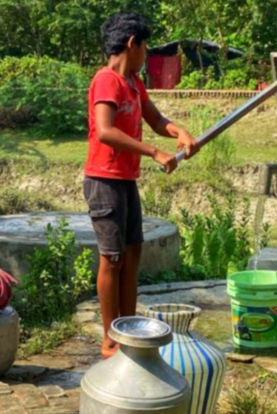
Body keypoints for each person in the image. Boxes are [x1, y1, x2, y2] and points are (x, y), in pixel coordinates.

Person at [84, 13, 199, 358]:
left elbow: (156, 119)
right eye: (146, 46)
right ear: (132, 43)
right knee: (112, 258)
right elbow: (105, 130)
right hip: (104, 181)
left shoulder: (134, 82)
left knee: (133, 254)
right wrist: (153, 151)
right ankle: (110, 338)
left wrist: (179, 131)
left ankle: (128, 328)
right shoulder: (107, 81)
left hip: (125, 182)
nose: (146, 54)